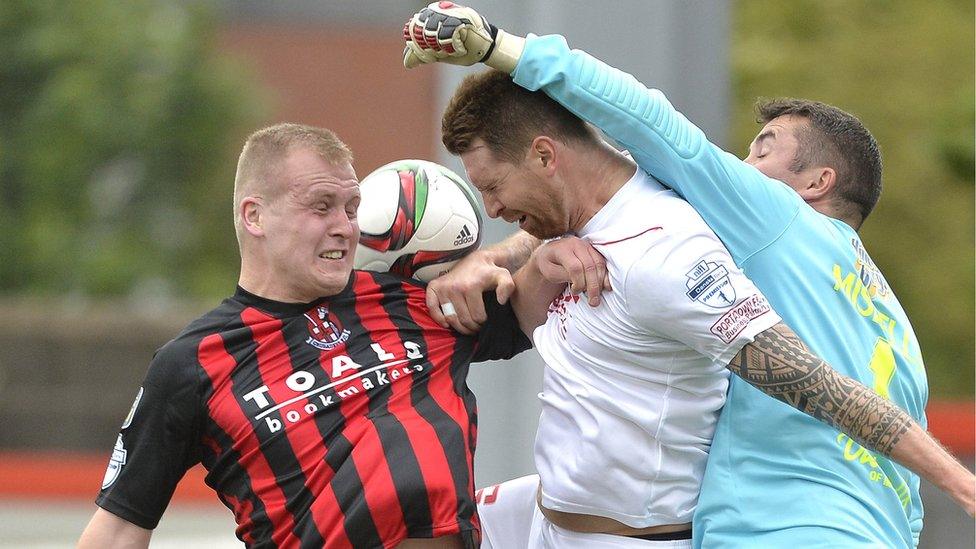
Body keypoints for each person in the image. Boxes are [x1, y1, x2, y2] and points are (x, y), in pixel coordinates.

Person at [400, 3, 976, 548]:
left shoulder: (763, 219)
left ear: (815, 184)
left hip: (787, 530)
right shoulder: (878, 307)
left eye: (760, 152)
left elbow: (651, 124)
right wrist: (511, 256)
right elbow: (618, 200)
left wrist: (502, 48)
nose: (737, 166)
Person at [76, 123, 603, 548]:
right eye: (321, 207)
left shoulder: (406, 298)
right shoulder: (195, 362)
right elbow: (121, 526)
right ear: (254, 216)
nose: (346, 226)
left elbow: (530, 301)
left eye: (352, 209)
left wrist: (536, 252)